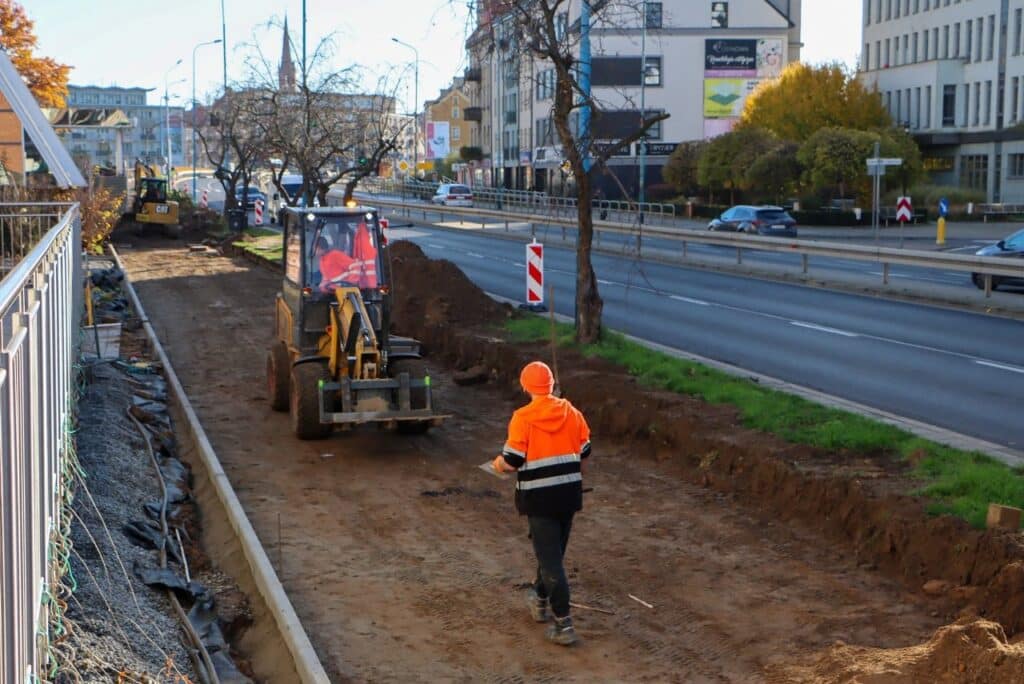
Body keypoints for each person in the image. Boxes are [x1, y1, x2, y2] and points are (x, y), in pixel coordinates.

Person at [492, 361, 591, 646]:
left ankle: (564, 624)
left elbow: (511, 461)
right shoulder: (571, 412)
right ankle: (539, 599)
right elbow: (585, 453)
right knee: (552, 554)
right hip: (569, 497)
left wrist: (498, 464)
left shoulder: (523, 418)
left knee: (550, 561)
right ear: (551, 384)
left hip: (539, 499)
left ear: (525, 387)